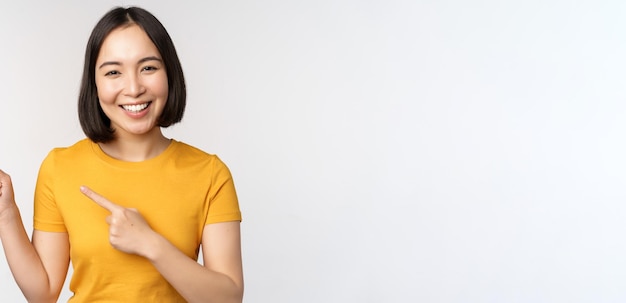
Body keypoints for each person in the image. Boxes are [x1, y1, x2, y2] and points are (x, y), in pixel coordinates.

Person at [0, 6, 243, 303]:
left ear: (169, 73)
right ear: (95, 83)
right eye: (114, 72)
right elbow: (43, 293)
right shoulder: (59, 167)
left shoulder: (209, 173)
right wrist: (6, 213)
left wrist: (150, 244)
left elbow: (227, 299)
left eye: (148, 68)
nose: (133, 88)